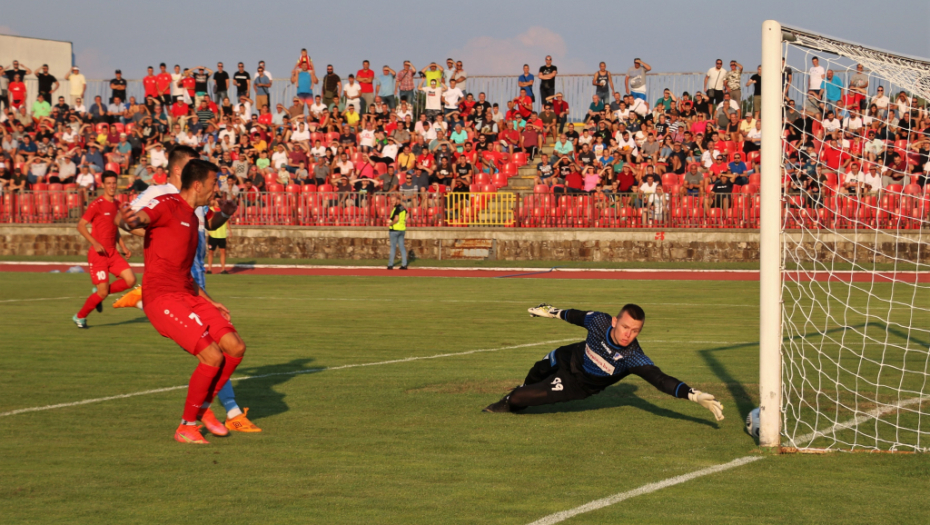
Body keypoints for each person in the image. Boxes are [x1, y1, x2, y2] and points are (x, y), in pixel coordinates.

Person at [113, 146, 261, 434]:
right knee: (212, 356)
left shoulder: (194, 217)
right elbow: (135, 219)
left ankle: (203, 410)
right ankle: (187, 425)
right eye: (213, 184)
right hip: (162, 297)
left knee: (235, 346)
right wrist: (128, 220)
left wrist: (210, 301)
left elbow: (185, 274)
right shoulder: (165, 201)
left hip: (189, 293)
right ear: (197, 183)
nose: (216, 189)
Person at [483, 303, 725, 423]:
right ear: (614, 321)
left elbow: (661, 380)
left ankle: (513, 399)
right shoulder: (599, 321)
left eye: (635, 331)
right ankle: (523, 388)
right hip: (573, 355)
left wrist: (694, 395)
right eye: (625, 327)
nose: (628, 334)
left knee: (518, 399)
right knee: (540, 367)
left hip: (577, 384)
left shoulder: (633, 357)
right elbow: (575, 315)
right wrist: (551, 311)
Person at [72, 171, 136, 329]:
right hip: (98, 254)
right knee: (102, 293)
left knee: (131, 280)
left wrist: (123, 246)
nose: (112, 186)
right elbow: (80, 226)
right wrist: (94, 242)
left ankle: (101, 290)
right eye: (109, 183)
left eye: (114, 183)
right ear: (103, 185)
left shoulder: (116, 205)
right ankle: (79, 317)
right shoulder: (97, 204)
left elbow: (115, 229)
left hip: (112, 252)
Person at [207, 195, 229, 275]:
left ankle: (223, 269)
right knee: (211, 252)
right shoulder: (211, 210)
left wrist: (229, 230)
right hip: (213, 234)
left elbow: (226, 221)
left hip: (222, 234)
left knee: (223, 251)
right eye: (217, 200)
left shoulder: (224, 211)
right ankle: (209, 269)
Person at [387, 195, 407, 270]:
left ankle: (390, 264)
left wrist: (390, 224)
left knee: (393, 247)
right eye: (391, 201)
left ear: (398, 200)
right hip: (402, 229)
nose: (392, 202)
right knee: (402, 247)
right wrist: (404, 221)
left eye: (394, 200)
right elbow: (407, 214)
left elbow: (396, 219)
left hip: (395, 230)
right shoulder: (402, 207)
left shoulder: (397, 208)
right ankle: (404, 264)